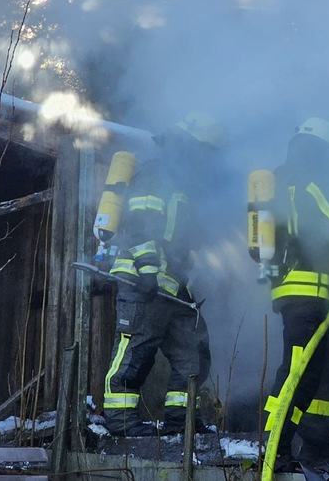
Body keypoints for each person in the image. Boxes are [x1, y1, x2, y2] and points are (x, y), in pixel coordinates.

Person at [256, 116, 329, 469]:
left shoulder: (282, 181)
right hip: (306, 296)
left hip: (300, 296)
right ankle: (275, 449)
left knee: (324, 369)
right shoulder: (307, 182)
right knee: (299, 373)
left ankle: (315, 443)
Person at [101, 112, 224, 437]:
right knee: (135, 351)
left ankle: (181, 421)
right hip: (142, 281)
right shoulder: (156, 175)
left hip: (172, 288)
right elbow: (141, 226)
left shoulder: (183, 185)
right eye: (202, 152)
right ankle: (120, 422)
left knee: (193, 350)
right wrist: (148, 271)